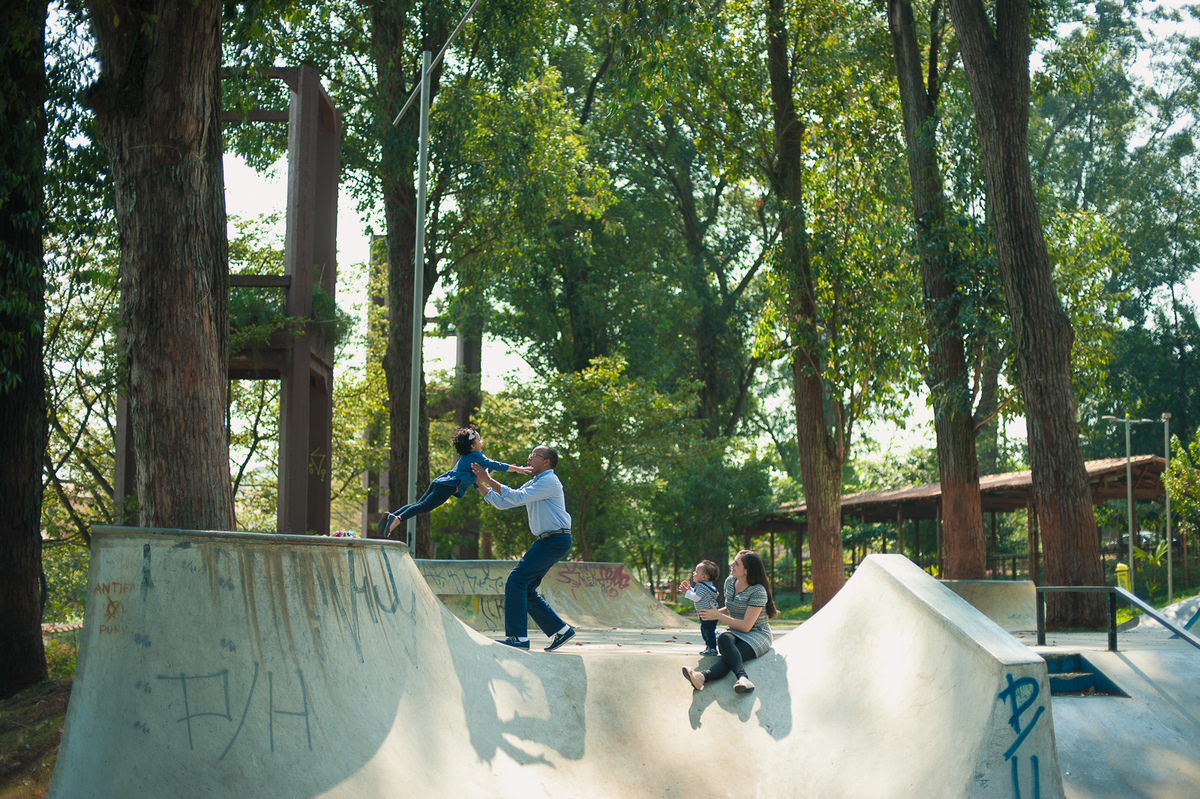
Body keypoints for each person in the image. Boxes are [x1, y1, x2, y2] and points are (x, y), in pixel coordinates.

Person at [471, 445, 575, 652]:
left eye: (534, 455)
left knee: (516, 581)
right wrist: (479, 485)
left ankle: (518, 637)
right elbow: (505, 502)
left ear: (546, 462)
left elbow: (516, 497)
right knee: (526, 589)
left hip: (555, 539)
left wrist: (488, 479)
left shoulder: (549, 481)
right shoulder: (535, 482)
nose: (529, 458)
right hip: (549, 540)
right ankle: (561, 630)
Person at [376, 424, 530, 537]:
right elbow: (496, 465)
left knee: (419, 504)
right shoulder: (477, 456)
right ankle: (397, 519)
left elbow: (488, 469)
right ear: (472, 445)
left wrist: (505, 468)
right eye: (479, 440)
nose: (481, 443)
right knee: (424, 507)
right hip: (448, 486)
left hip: (440, 481)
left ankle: (392, 515)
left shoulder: (467, 457)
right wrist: (518, 469)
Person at [681, 550, 777, 694]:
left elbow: (746, 626)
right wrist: (714, 613)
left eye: (736, 563)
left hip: (757, 634)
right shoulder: (730, 582)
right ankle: (705, 678)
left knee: (731, 656)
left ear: (746, 570)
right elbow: (731, 608)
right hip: (735, 631)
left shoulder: (757, 591)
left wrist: (717, 616)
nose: (731, 564)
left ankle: (734, 677)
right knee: (724, 639)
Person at [678, 560, 721, 655]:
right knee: (706, 630)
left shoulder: (701, 586)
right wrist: (690, 590)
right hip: (709, 614)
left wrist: (686, 593)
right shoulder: (706, 586)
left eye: (696, 572)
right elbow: (699, 594)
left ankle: (712, 648)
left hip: (708, 615)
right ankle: (711, 643)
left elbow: (697, 597)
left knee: (707, 632)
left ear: (704, 577)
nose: (694, 573)